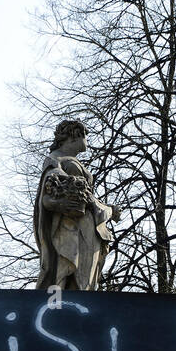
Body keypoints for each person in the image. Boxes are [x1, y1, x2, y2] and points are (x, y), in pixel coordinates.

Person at [34, 120, 117, 292]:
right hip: (69, 226)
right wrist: (107, 210)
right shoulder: (54, 159)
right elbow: (48, 197)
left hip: (87, 225)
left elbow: (88, 198)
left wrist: (107, 209)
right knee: (66, 270)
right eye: (86, 136)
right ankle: (59, 311)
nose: (87, 141)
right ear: (75, 136)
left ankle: (78, 311)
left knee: (85, 278)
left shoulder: (69, 160)